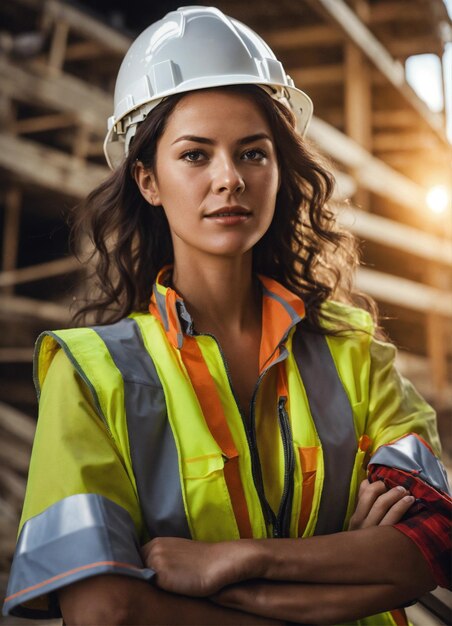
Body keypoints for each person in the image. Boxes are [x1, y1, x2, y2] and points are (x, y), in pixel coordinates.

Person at [3, 6, 451, 625]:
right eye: (194, 155)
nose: (229, 179)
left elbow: (432, 547)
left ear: (278, 169)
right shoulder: (87, 377)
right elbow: (106, 611)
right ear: (147, 179)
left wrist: (236, 563)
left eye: (252, 153)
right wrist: (344, 569)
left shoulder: (354, 352)